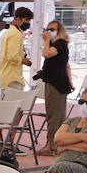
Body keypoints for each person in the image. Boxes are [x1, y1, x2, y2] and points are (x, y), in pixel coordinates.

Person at [37, 20, 72, 152]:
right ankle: (59, 144)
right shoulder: (59, 44)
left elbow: (46, 54)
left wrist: (46, 40)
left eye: (52, 29)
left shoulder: (59, 44)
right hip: (58, 82)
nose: (49, 32)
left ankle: (51, 145)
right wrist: (70, 81)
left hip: (56, 83)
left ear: (59, 31)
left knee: (54, 116)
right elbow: (66, 65)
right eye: (47, 29)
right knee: (59, 116)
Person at [0, 7, 32, 91]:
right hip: (12, 78)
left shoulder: (10, 32)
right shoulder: (15, 34)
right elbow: (12, 56)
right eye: (26, 20)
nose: (28, 23)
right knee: (15, 100)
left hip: (6, 76)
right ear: (18, 19)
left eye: (29, 21)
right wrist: (24, 61)